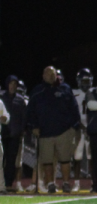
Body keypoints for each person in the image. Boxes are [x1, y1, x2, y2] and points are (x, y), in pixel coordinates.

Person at [26, 66, 80, 194]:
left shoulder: (65, 88)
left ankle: (66, 183)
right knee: (47, 161)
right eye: (47, 74)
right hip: (44, 132)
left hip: (64, 131)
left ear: (56, 75)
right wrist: (33, 126)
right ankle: (50, 183)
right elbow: (31, 111)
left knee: (65, 159)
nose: (50, 76)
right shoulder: (38, 91)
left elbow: (74, 108)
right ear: (43, 76)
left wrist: (74, 126)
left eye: (52, 73)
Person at [1, 77, 28, 193]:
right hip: (3, 134)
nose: (12, 86)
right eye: (10, 83)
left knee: (12, 161)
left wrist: (23, 129)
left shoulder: (20, 100)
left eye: (14, 84)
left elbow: (24, 117)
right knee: (2, 160)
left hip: (14, 134)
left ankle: (8, 184)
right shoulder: (1, 97)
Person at [71, 68, 94, 191]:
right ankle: (76, 182)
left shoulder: (94, 92)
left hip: (91, 128)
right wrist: (81, 125)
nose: (86, 84)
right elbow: (73, 112)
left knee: (91, 157)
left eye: (87, 81)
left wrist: (91, 127)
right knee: (77, 157)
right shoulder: (74, 93)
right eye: (83, 81)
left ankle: (93, 182)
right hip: (78, 128)